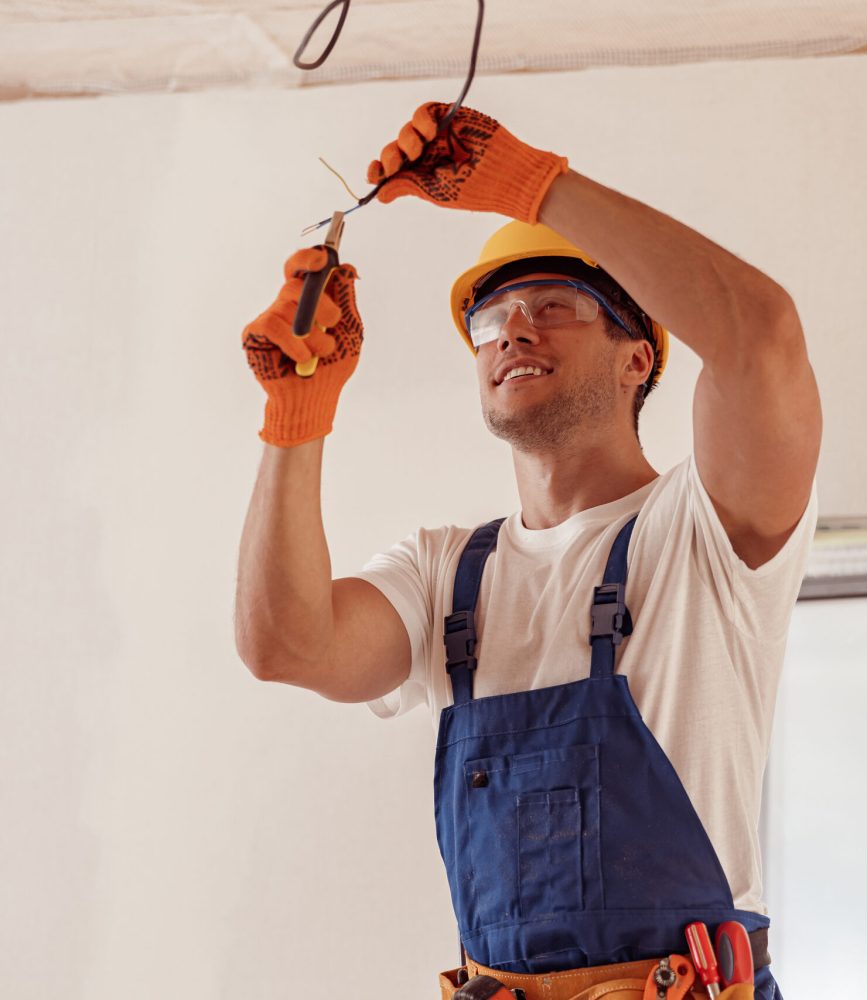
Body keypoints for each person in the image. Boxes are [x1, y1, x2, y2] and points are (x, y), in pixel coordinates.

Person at [235, 102, 822, 1000]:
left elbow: (763, 338)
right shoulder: (446, 579)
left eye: (556, 305)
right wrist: (296, 416)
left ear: (640, 359)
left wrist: (531, 184)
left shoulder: (705, 531)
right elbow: (285, 643)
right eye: (491, 317)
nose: (512, 329)